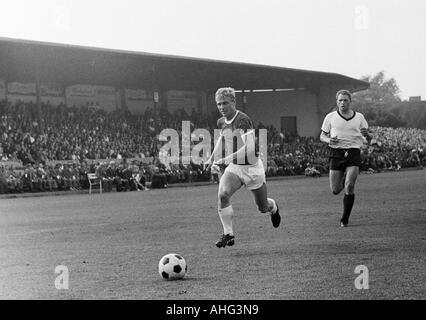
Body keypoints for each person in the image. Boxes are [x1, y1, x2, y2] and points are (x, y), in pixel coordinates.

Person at [205, 87, 281, 248]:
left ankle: (273, 208)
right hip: (236, 168)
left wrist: (225, 158)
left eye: (225, 103)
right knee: (223, 195)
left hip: (253, 168)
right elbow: (221, 140)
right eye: (218, 104)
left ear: (233, 101)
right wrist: (212, 157)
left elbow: (249, 148)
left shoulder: (243, 120)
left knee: (262, 207)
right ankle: (228, 234)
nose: (221, 107)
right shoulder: (221, 121)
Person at [320, 89, 372, 227]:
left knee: (350, 186)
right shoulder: (330, 117)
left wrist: (368, 135)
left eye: (345, 100)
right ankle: (343, 178)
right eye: (340, 100)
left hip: (353, 152)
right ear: (337, 102)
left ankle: (344, 219)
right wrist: (329, 140)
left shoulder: (359, 117)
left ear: (350, 102)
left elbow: (368, 137)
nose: (342, 103)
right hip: (336, 154)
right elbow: (322, 136)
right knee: (335, 190)